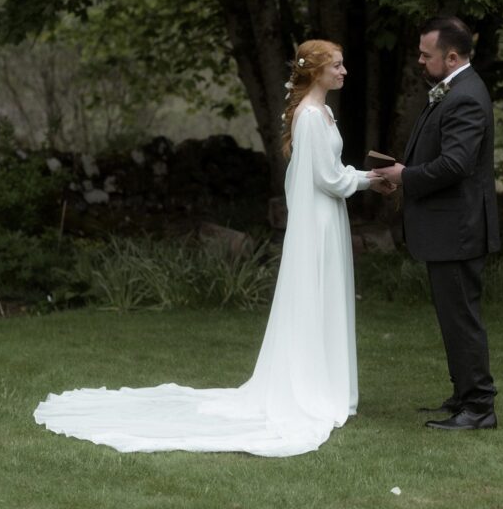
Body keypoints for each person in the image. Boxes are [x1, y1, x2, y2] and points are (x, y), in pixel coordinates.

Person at [34, 40, 387, 456]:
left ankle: (327, 387)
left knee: (327, 296)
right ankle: (312, 391)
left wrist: (365, 176)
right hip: (319, 220)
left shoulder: (324, 113)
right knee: (314, 296)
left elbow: (326, 173)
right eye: (339, 65)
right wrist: (369, 181)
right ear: (318, 72)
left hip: (328, 217)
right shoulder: (310, 117)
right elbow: (326, 179)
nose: (345, 72)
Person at [372, 16, 500, 430]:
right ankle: (463, 396)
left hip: (458, 229)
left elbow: (457, 164)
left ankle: (479, 407)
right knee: (453, 316)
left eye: (427, 56)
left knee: (461, 318)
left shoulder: (465, 95)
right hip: (450, 228)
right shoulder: (454, 88)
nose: (420, 61)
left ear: (452, 56)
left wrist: (405, 177)